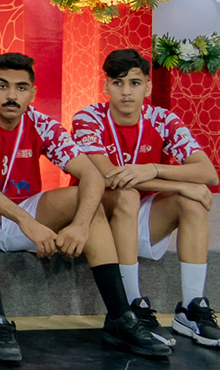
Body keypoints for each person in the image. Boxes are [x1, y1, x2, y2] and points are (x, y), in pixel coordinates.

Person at [0, 52, 165, 362]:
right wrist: (26, 220)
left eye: (21, 88)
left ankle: (119, 318)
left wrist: (80, 225)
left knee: (85, 201)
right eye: (3, 86)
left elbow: (91, 174)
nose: (11, 95)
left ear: (32, 93)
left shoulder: (41, 123)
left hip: (22, 218)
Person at [73, 48, 220, 348]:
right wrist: (180, 184)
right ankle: (131, 308)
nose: (126, 92)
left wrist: (153, 168)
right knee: (127, 194)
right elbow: (109, 177)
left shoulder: (162, 118)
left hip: (141, 219)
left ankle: (191, 310)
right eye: (118, 83)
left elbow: (208, 174)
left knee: (193, 203)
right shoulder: (88, 118)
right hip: (99, 220)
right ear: (106, 86)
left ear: (148, 87)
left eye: (135, 83)